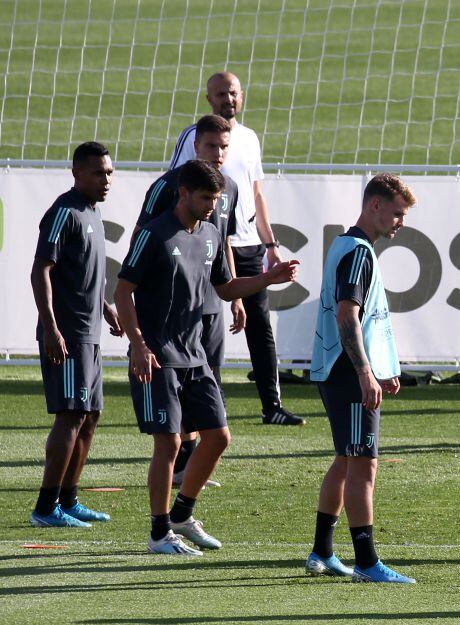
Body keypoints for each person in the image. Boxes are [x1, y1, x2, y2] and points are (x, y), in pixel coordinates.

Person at [114, 160, 299, 555]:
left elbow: (227, 288)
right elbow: (122, 292)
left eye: (216, 198)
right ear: (184, 194)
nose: (212, 205)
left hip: (195, 356)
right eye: (205, 197)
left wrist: (268, 278)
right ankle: (159, 532)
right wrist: (139, 345)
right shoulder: (154, 234)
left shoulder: (213, 234)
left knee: (218, 436)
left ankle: (182, 513)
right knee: (167, 444)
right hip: (158, 356)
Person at [169, 71, 304, 426]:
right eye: (219, 94)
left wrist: (270, 242)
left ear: (241, 95)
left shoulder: (249, 138)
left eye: (232, 93)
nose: (227, 99)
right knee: (205, 322)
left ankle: (271, 405)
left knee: (260, 325)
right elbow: (176, 185)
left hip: (247, 244)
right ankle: (208, 407)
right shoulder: (193, 137)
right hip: (210, 244)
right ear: (207, 98)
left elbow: (256, 193)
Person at [305, 174, 417, 583]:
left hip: (342, 371)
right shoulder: (358, 253)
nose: (400, 221)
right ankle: (367, 562)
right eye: (397, 213)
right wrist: (365, 371)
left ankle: (321, 552)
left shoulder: (347, 244)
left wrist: (378, 368)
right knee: (363, 466)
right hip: (346, 374)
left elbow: (363, 319)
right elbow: (347, 315)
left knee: (345, 460)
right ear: (374, 206)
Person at [140, 114, 243, 487]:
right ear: (195, 145)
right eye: (211, 145)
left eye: (224, 147)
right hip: (172, 313)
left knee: (206, 381)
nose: (218, 153)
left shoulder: (227, 187)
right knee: (177, 386)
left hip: (211, 300)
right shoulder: (169, 186)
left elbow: (222, 240)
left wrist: (236, 297)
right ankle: (180, 462)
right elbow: (144, 236)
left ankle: (189, 464)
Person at [29, 141, 123, 528]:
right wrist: (50, 326)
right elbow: (41, 270)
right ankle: (45, 507)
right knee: (71, 415)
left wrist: (105, 307)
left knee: (90, 415)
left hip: (90, 333)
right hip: (67, 334)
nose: (107, 180)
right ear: (77, 174)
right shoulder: (63, 211)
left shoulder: (93, 213)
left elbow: (85, 274)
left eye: (110, 172)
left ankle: (69, 499)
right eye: (99, 172)